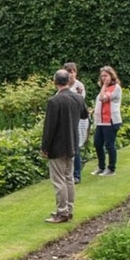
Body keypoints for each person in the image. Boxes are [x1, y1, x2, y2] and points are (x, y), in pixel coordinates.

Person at [40, 69, 85, 223]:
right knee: (69, 179)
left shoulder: (55, 101)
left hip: (58, 146)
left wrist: (44, 147)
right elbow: (85, 114)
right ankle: (69, 209)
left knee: (59, 181)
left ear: (55, 82)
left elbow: (49, 127)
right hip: (72, 143)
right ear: (68, 81)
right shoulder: (78, 98)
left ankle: (62, 212)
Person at [92, 66, 122, 176]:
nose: (104, 78)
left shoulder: (115, 88)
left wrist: (104, 86)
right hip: (101, 121)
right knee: (97, 144)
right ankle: (101, 166)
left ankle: (111, 168)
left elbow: (103, 98)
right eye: (102, 76)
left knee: (109, 145)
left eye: (106, 75)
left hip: (111, 121)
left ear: (111, 75)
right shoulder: (104, 88)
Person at [63, 62, 89, 183]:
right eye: (68, 72)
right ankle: (68, 172)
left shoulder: (79, 86)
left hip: (78, 120)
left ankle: (77, 174)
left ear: (75, 73)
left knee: (76, 146)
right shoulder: (63, 85)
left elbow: (79, 102)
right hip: (66, 120)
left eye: (72, 71)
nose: (70, 74)